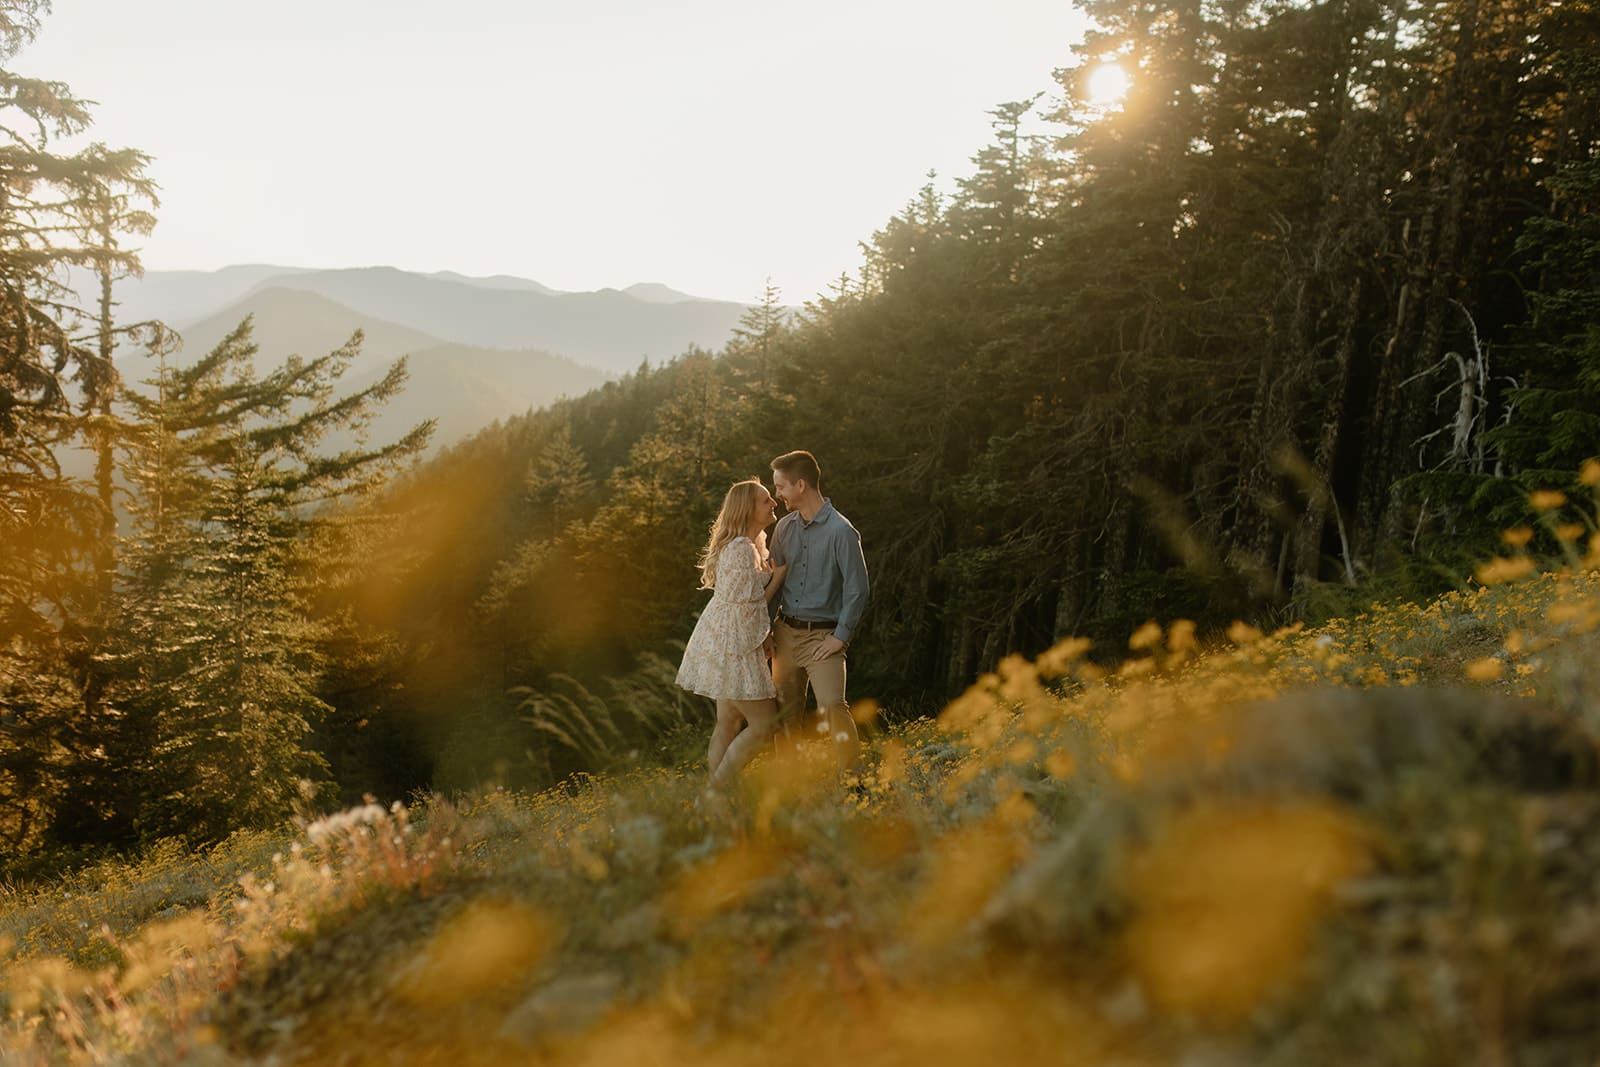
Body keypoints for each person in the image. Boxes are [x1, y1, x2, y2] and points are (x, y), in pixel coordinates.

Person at [676, 478, 788, 786]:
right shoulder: (740, 548)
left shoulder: (749, 545)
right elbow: (751, 604)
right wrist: (778, 577)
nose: (773, 503)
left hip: (728, 638)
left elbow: (746, 601)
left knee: (727, 722)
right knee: (764, 725)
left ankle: (717, 804)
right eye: (766, 500)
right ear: (747, 509)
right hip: (735, 644)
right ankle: (715, 793)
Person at [768, 450, 868, 773]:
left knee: (832, 706)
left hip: (823, 638)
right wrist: (766, 630)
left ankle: (854, 781)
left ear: (800, 485)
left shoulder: (842, 532)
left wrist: (840, 636)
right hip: (785, 634)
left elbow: (858, 589)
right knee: (785, 714)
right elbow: (773, 584)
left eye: (781, 487)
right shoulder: (784, 529)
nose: (777, 495)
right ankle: (788, 787)